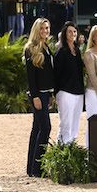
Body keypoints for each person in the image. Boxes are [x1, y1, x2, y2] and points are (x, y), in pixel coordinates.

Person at [23, 18, 54, 177]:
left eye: (47, 28)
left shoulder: (46, 47)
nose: (45, 31)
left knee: (37, 129)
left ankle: (31, 168)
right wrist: (35, 96)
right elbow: (31, 77)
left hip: (44, 94)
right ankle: (38, 168)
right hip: (37, 95)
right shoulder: (31, 49)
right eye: (42, 28)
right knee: (45, 128)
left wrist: (49, 94)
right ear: (37, 30)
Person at [54, 21, 84, 144]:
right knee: (65, 125)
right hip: (65, 92)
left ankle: (71, 152)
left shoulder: (77, 51)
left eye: (74, 31)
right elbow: (56, 74)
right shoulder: (61, 52)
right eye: (70, 31)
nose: (72, 34)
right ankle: (61, 155)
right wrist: (56, 93)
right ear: (64, 34)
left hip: (78, 93)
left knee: (75, 126)